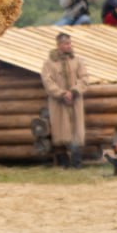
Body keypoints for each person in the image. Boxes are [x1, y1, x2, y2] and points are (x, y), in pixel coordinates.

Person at [40, 33, 87, 168]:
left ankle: (77, 162)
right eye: (66, 44)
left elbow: (84, 78)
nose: (69, 46)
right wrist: (61, 94)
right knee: (61, 131)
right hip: (58, 103)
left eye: (70, 43)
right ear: (59, 45)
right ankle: (64, 162)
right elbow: (47, 81)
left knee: (76, 131)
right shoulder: (49, 63)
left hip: (75, 100)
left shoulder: (77, 61)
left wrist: (74, 91)